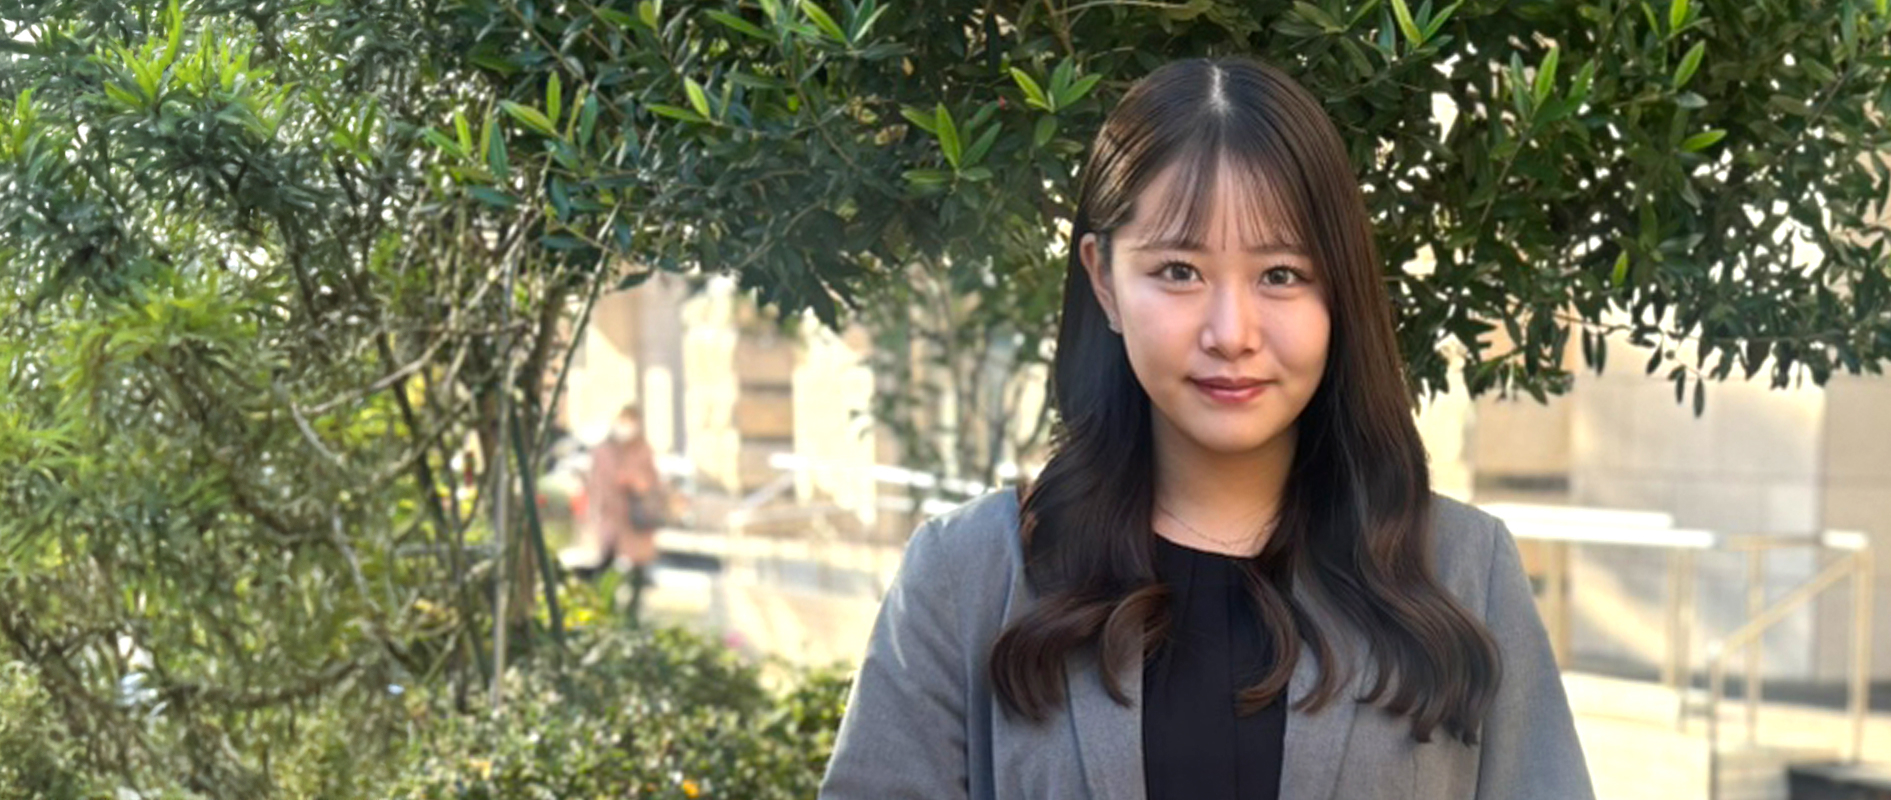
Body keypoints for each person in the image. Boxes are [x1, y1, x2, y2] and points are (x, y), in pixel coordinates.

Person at [818, 57, 1595, 799]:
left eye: (1281, 274)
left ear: (1339, 289)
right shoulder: (969, 576)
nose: (1232, 333)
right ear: (1103, 279)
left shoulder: (1462, 573)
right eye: (1179, 271)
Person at [583, 405, 665, 621]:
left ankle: (631, 617)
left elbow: (653, 483)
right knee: (605, 565)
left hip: (635, 518)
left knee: (637, 569)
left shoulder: (643, 450)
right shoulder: (602, 450)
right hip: (609, 516)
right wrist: (593, 514)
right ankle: (602, 611)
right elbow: (594, 484)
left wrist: (637, 482)